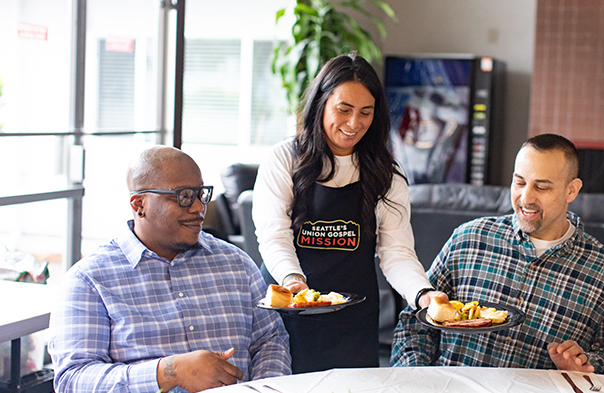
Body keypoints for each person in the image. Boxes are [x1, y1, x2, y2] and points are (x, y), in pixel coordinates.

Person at [252, 52, 445, 373]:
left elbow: (396, 251)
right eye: (344, 110)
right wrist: (294, 281)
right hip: (288, 309)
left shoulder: (386, 173)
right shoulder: (284, 158)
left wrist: (422, 294)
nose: (354, 123)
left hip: (352, 321)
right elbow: (273, 236)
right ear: (321, 104)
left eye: (365, 112)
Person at [48, 146, 291, 393]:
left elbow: (270, 340)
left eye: (201, 194)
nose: (198, 207)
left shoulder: (237, 264)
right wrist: (170, 371)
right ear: (139, 204)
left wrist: (264, 388)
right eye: (184, 196)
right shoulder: (89, 280)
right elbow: (73, 380)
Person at [391, 133, 604, 376]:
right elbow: (414, 323)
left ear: (571, 191)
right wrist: (415, 379)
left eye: (541, 187)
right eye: (519, 183)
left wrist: (585, 365)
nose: (526, 198)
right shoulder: (468, 239)